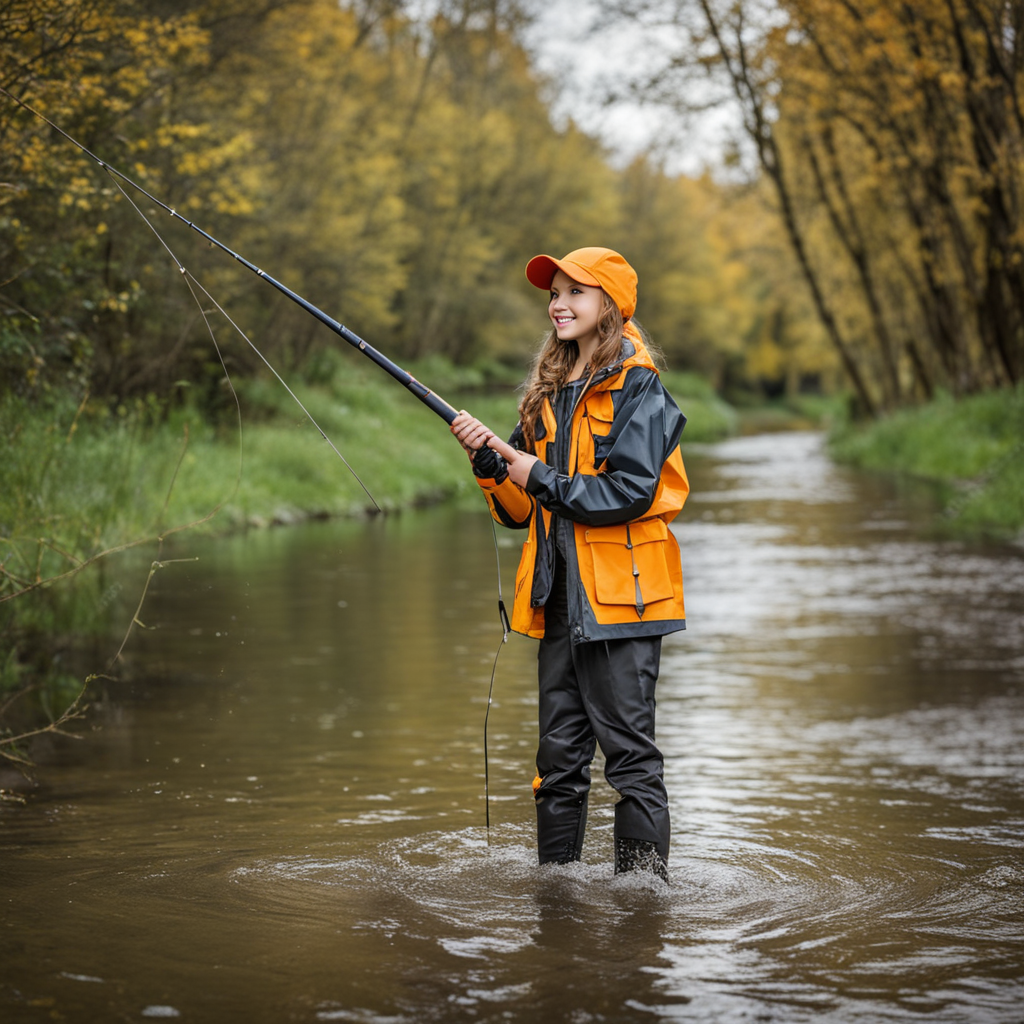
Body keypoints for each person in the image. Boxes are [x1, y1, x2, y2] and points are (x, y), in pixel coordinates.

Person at [450, 246, 689, 881]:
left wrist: (537, 473)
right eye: (553, 293)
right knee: (557, 761)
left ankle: (642, 901)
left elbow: (628, 494)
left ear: (609, 305)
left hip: (621, 603)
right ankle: (555, 894)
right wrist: (493, 469)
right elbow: (520, 512)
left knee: (630, 760)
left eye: (574, 292)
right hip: (556, 600)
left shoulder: (642, 388)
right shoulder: (548, 392)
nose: (558, 303)